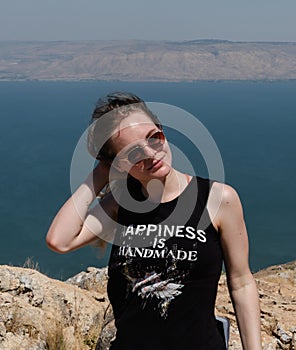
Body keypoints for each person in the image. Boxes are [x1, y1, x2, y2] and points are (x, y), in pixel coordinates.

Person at [46, 92, 262, 350]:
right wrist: (100, 175)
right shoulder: (120, 203)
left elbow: (241, 282)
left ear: (163, 132)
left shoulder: (217, 199)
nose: (150, 153)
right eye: (133, 152)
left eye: (154, 137)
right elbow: (59, 240)